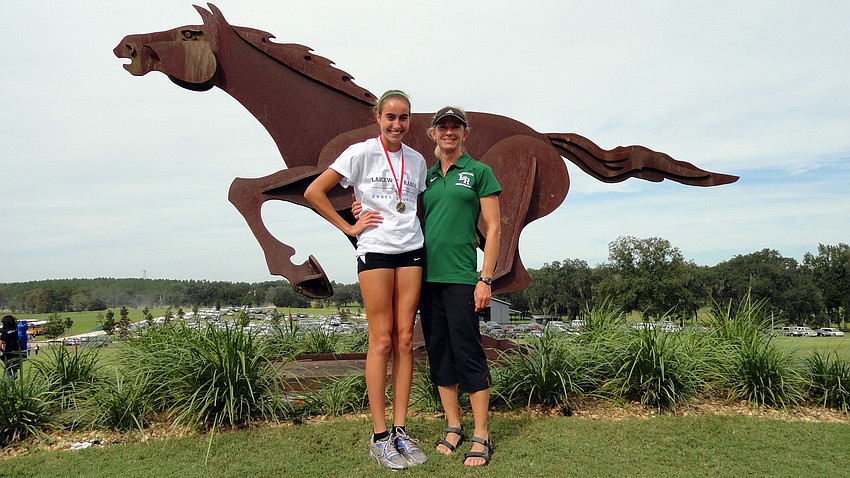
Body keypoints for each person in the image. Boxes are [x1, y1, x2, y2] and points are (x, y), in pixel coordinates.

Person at [304, 90, 429, 470]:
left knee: (406, 339)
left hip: (412, 250)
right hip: (374, 250)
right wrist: (349, 225)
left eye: (403, 118)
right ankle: (379, 436)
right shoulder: (360, 153)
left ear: (410, 121)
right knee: (382, 340)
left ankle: (400, 430)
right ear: (378, 117)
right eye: (390, 116)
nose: (397, 124)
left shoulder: (418, 160)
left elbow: (412, 205)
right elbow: (315, 191)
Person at [420, 106, 501, 467]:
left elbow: (494, 229)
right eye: (443, 127)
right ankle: (454, 426)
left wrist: (485, 278)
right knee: (438, 352)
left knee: (468, 352)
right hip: (426, 278)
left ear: (465, 134)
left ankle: (481, 434)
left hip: (462, 279)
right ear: (433, 133)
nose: (449, 132)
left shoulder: (479, 172)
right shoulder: (427, 177)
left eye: (456, 127)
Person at [1, 315, 24, 379]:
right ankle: (15, 376)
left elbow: (0, 344)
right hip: (17, 351)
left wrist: (2, 353)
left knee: (8, 367)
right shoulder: (16, 330)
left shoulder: (5, 332)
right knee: (15, 368)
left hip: (8, 352)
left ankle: (10, 380)